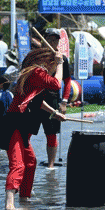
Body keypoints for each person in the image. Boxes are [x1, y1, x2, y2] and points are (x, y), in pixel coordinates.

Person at [1, 48, 68, 210]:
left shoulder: (34, 74)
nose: (55, 69)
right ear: (48, 62)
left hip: (22, 124)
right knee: (18, 164)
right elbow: (56, 84)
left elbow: (36, 101)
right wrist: (60, 63)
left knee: (30, 162)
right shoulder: (37, 72)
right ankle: (9, 204)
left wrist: (54, 113)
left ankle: (24, 197)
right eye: (54, 65)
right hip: (15, 123)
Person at [36, 29, 72, 169]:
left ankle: (50, 166)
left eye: (55, 40)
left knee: (51, 134)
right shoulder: (37, 57)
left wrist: (64, 101)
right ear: (43, 40)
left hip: (52, 99)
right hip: (35, 98)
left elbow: (67, 81)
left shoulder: (62, 59)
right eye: (49, 39)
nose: (52, 42)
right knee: (26, 131)